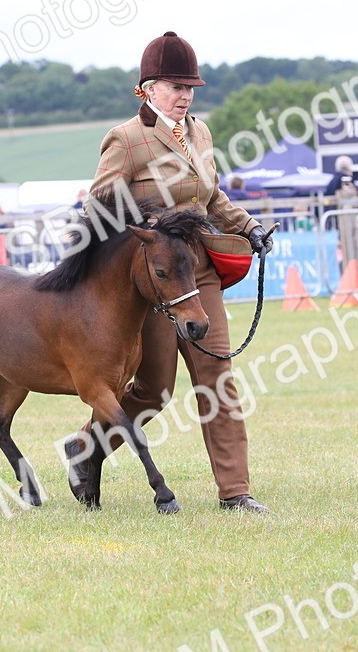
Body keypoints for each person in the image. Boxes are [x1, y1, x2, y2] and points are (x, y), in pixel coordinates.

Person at [63, 31, 272, 514]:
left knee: (217, 378)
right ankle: (87, 446)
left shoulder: (200, 132)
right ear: (148, 88)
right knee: (154, 391)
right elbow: (100, 202)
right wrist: (154, 215)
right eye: (175, 87)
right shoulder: (127, 138)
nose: (185, 96)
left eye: (190, 87)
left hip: (199, 274)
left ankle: (235, 492)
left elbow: (212, 197)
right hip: (153, 282)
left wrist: (250, 227)